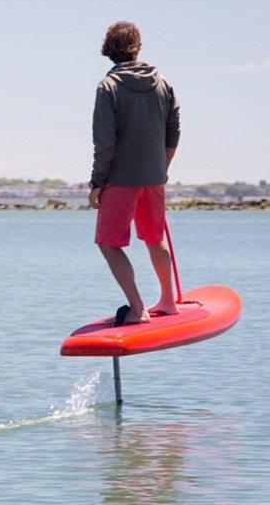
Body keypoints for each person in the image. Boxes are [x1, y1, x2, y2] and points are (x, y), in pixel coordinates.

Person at [88, 21, 181, 326]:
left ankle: (137, 308)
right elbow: (173, 130)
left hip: (121, 179)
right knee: (155, 239)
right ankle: (168, 302)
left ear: (108, 49)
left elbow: (104, 141)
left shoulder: (108, 87)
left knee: (108, 243)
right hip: (153, 177)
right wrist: (162, 168)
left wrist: (96, 183)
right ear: (137, 46)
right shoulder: (162, 82)